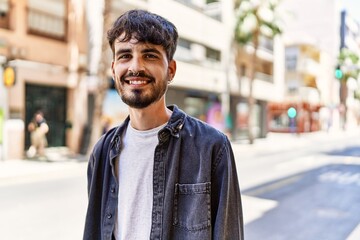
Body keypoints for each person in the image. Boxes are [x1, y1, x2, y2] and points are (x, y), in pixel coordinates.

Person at [83, 9, 244, 240]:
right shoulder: (102, 152)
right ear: (113, 69)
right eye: (125, 55)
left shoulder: (211, 147)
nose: (135, 67)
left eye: (149, 55)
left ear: (171, 70)